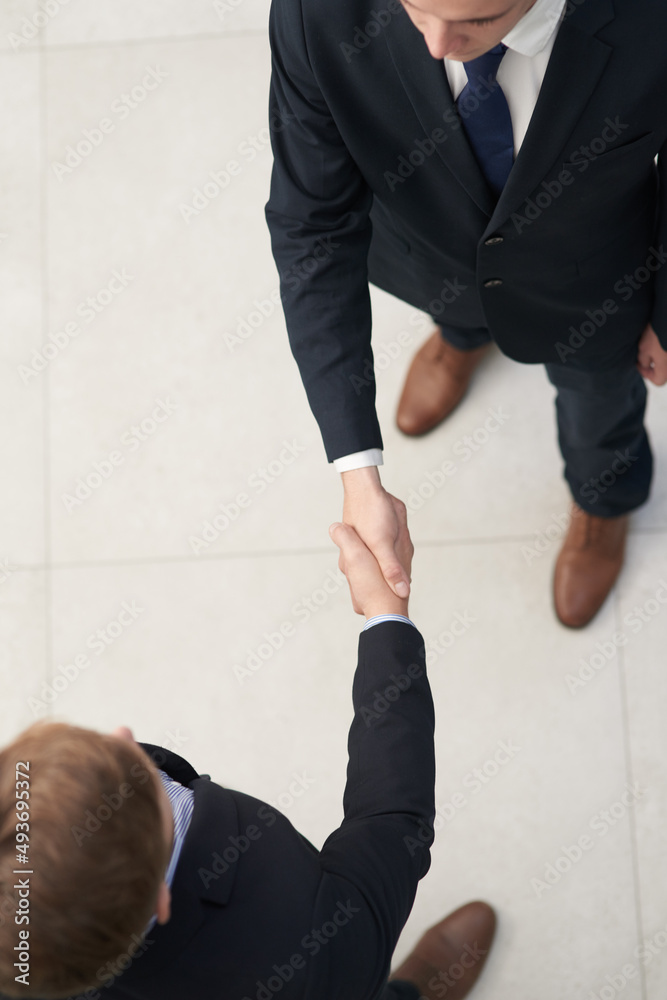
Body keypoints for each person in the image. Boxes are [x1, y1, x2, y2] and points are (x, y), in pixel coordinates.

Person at [265, 0, 667, 628]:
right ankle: (462, 338)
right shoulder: (319, 12)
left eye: (477, 22)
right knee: (456, 308)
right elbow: (311, 224)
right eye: (418, 9)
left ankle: (604, 503)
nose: (435, 46)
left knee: (599, 407)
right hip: (428, 258)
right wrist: (357, 468)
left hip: (598, 283)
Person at [0, 516, 496, 1000]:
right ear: (161, 900)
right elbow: (392, 818)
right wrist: (386, 613)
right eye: (136, 772)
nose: (126, 735)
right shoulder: (314, 961)